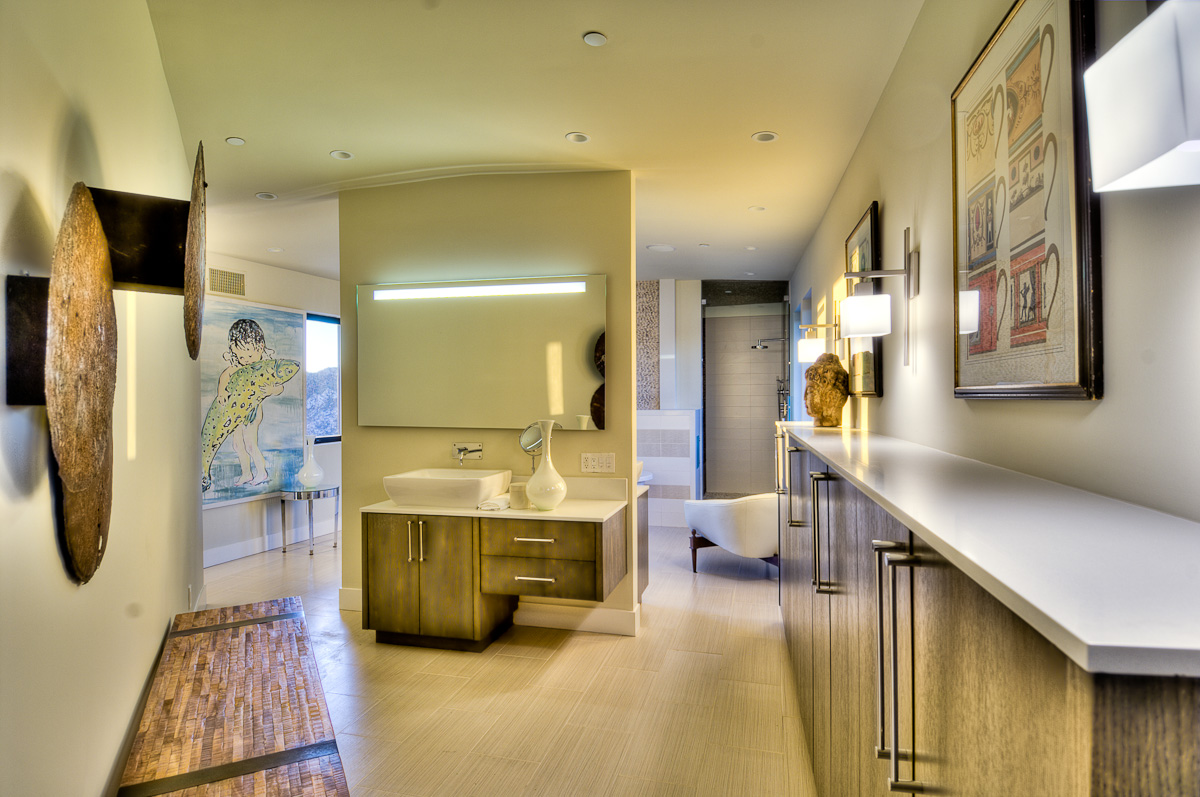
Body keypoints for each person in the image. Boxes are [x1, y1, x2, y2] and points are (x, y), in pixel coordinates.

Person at [216, 318, 284, 486]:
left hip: (253, 411)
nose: (245, 360)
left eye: (249, 355)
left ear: (260, 348)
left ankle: (262, 472)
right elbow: (225, 375)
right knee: (237, 445)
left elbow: (279, 387)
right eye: (240, 356)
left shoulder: (264, 367)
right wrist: (221, 391)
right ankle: (246, 473)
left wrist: (271, 390)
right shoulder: (238, 367)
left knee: (251, 443)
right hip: (237, 411)